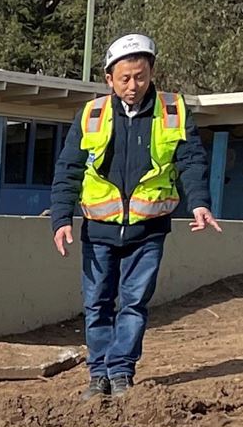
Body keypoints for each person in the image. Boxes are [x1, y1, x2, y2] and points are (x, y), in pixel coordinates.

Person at [50, 33, 222, 400]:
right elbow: (69, 169)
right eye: (124, 78)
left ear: (152, 72)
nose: (133, 86)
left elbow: (190, 160)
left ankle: (122, 372)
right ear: (109, 78)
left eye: (140, 77)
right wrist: (61, 218)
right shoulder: (91, 114)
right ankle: (98, 376)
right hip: (98, 231)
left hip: (148, 231)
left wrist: (200, 203)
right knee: (96, 304)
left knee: (133, 304)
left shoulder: (173, 110)